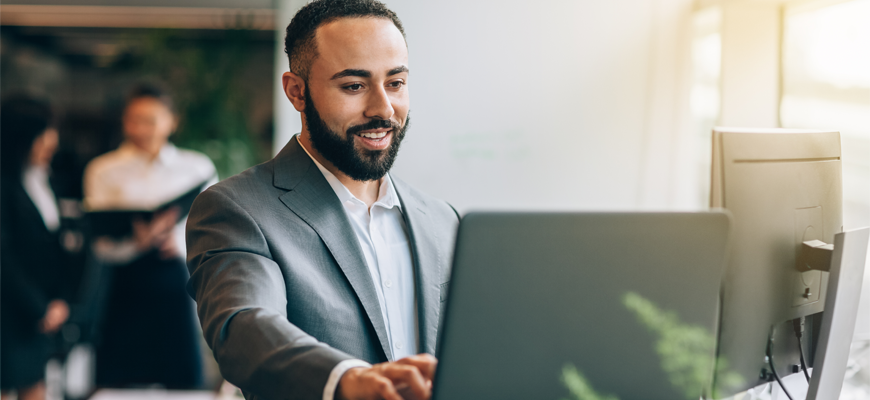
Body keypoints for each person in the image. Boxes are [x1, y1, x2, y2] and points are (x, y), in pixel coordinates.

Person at [185, 1, 459, 399]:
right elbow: (244, 326)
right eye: (354, 86)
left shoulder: (442, 220)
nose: (383, 108)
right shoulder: (237, 209)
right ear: (297, 92)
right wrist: (346, 380)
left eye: (395, 83)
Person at [83, 83, 216, 388]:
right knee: (119, 381)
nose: (141, 128)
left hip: (175, 279)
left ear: (172, 121)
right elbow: (100, 240)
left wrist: (179, 242)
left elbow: (213, 231)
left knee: (182, 379)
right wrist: (135, 241)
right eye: (133, 119)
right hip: (125, 282)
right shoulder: (102, 169)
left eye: (151, 120)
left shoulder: (196, 168)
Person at [1, 96, 71, 400]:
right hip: (10, 313)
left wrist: (58, 301)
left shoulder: (43, 180)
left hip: (37, 316)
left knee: (36, 387)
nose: (51, 141)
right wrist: (38, 306)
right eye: (43, 132)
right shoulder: (5, 185)